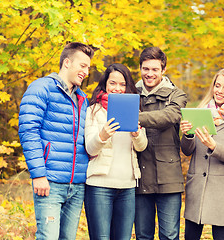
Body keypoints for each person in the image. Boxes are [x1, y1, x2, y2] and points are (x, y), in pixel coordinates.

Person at [18, 42, 94, 239]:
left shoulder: (81, 99)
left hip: (77, 185)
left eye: (88, 67)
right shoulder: (41, 88)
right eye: (82, 66)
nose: (86, 72)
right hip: (50, 182)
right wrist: (38, 175)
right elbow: (29, 131)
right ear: (67, 62)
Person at [84, 63, 147, 240]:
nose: (117, 89)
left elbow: (142, 147)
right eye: (113, 83)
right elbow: (90, 148)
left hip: (127, 187)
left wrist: (137, 134)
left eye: (122, 84)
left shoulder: (135, 109)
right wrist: (102, 136)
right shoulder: (93, 111)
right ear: (105, 84)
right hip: (99, 186)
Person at [180, 68, 224, 240]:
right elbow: (187, 151)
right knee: (190, 236)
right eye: (217, 86)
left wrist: (213, 146)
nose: (219, 91)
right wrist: (187, 135)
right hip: (197, 186)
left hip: (222, 189)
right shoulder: (201, 112)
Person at [134, 47, 187, 240]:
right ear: (140, 68)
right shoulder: (131, 93)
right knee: (142, 235)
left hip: (169, 178)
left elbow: (169, 116)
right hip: (139, 176)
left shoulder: (177, 95)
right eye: (145, 68)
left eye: (155, 69)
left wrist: (133, 117)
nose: (149, 73)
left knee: (170, 235)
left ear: (163, 70)